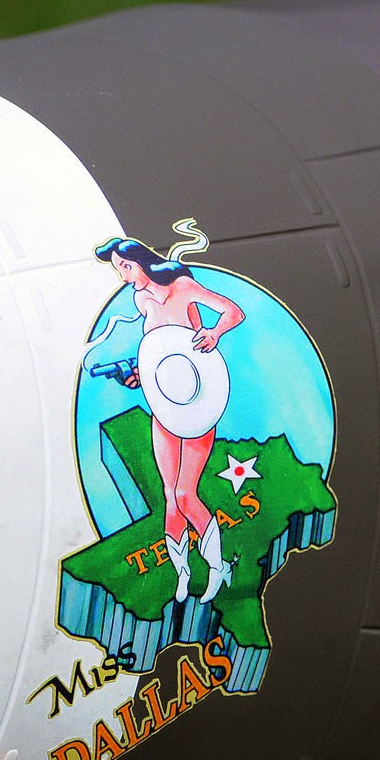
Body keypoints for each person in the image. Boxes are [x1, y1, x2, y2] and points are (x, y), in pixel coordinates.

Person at [95, 237, 245, 604]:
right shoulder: (141, 300)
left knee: (185, 493)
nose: (123, 275)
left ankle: (217, 567)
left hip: (197, 401)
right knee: (170, 496)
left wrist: (214, 333)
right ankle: (182, 574)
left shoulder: (183, 287)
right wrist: (139, 376)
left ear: (141, 262)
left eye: (125, 267)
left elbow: (233, 312)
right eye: (118, 269)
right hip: (165, 402)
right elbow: (158, 352)